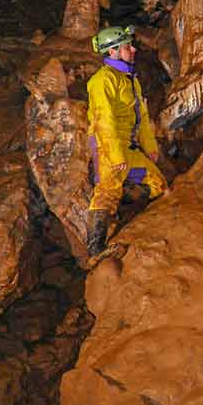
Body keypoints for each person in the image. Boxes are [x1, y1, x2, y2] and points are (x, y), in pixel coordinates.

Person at [85, 25, 167, 264]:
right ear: (112, 52)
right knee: (106, 192)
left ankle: (127, 214)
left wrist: (149, 146)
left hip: (128, 147)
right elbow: (103, 120)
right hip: (107, 146)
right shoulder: (102, 81)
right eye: (126, 47)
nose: (132, 49)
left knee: (157, 184)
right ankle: (95, 249)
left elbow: (141, 116)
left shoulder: (130, 79)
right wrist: (115, 155)